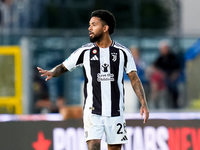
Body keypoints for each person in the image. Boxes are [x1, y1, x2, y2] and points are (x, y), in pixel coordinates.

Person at [37, 10, 149, 150]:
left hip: (115, 111)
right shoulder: (85, 51)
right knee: (94, 145)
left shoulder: (123, 52)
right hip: (92, 110)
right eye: (89, 25)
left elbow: (134, 79)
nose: (89, 28)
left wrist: (143, 102)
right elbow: (64, 67)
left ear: (105, 28)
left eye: (93, 25)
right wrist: (52, 72)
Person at [154, 40, 181, 108]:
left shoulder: (173, 57)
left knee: (173, 88)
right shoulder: (160, 58)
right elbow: (155, 67)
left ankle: (175, 104)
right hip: (163, 79)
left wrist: (173, 76)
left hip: (173, 78)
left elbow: (177, 69)